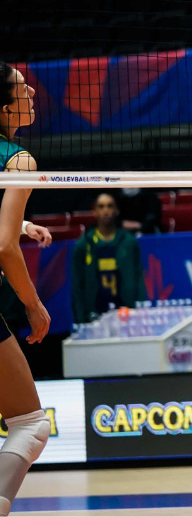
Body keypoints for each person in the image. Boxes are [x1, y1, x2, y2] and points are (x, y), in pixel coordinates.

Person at [0, 62, 54, 517]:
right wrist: (33, 305)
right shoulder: (18, 160)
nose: (32, 89)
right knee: (30, 425)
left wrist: (23, 223)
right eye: (21, 86)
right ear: (4, 108)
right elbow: (2, 245)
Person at [70, 192, 146, 325]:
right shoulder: (84, 244)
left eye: (110, 206)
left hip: (126, 312)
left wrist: (140, 311)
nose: (106, 211)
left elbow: (139, 278)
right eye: (101, 206)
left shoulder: (128, 241)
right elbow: (77, 285)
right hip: (94, 315)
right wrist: (80, 318)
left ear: (116, 210)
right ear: (94, 211)